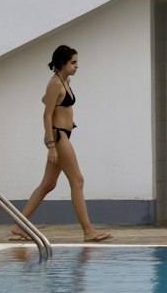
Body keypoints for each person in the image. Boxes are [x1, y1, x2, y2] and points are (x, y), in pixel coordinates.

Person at [12, 46, 112, 244]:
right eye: (73, 63)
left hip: (63, 133)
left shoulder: (66, 81)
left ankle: (18, 225)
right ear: (62, 63)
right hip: (58, 138)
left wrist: (69, 121)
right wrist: (51, 146)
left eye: (76, 62)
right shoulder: (55, 83)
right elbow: (47, 114)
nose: (77, 66)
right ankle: (88, 231)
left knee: (48, 184)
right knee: (78, 180)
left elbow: (49, 102)